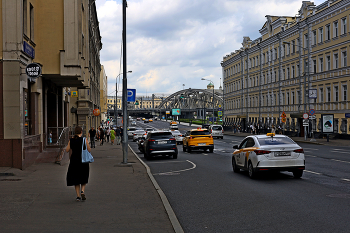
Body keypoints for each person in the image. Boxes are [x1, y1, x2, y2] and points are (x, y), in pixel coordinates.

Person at [65, 126, 91, 201]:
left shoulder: (71, 140)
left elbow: (67, 150)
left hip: (74, 161)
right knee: (83, 176)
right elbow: (89, 150)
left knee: (76, 178)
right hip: (83, 161)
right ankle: (82, 191)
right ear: (81, 132)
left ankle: (78, 196)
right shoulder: (84, 139)